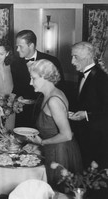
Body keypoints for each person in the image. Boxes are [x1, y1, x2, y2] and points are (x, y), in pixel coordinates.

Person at [28, 59, 82, 190]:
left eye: (33, 78)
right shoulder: (48, 95)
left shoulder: (53, 100)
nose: (30, 82)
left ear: (45, 77)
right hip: (54, 149)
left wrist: (42, 143)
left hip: (60, 153)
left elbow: (67, 135)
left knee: (58, 192)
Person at [11, 30, 65, 128]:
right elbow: (16, 87)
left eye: (20, 46)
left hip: (45, 112)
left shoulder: (51, 61)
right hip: (23, 113)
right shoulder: (15, 63)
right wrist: (17, 98)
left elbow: (60, 87)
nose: (17, 49)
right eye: (17, 46)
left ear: (31, 45)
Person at [69, 42, 108, 170]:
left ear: (87, 57)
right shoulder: (83, 75)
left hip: (97, 140)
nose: (72, 61)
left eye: (75, 57)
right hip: (84, 137)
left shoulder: (102, 78)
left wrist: (86, 115)